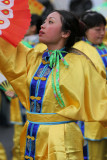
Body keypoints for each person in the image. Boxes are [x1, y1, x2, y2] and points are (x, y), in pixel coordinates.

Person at [0, 10, 107, 160]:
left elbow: (102, 97)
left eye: (50, 22)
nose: (42, 26)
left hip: (62, 137)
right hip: (33, 133)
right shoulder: (33, 57)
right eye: (44, 21)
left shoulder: (79, 62)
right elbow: (6, 49)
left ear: (65, 33)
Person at [73, 11, 107, 160]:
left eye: (104, 29)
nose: (102, 33)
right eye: (97, 30)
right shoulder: (79, 51)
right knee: (95, 154)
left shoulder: (104, 47)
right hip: (93, 112)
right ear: (85, 30)